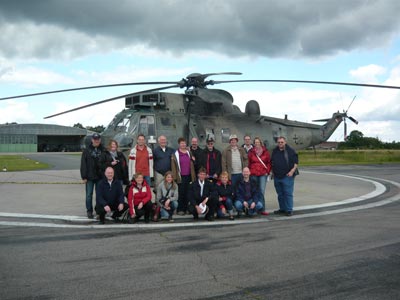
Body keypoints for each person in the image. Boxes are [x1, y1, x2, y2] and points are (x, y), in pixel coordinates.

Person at [270, 136, 298, 217]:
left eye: (282, 142)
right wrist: (272, 172)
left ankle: (289, 209)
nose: (280, 144)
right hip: (277, 176)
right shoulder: (275, 150)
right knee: (280, 194)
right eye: (279, 142)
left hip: (287, 176)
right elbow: (272, 161)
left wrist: (292, 172)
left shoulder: (290, 150)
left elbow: (296, 162)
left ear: (285, 142)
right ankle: (282, 208)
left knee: (288, 193)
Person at [80, 133, 106, 219]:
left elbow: (106, 163)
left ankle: (99, 211)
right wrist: (84, 177)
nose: (96, 141)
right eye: (95, 139)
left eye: (98, 139)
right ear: (92, 140)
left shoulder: (103, 150)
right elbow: (83, 164)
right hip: (89, 177)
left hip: (100, 177)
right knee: (89, 195)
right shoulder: (86, 151)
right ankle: (89, 211)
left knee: (99, 195)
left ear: (100, 140)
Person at [171, 137, 196, 215]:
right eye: (182, 143)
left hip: (189, 176)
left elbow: (192, 162)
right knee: (180, 193)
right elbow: (173, 167)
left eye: (184, 143)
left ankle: (186, 208)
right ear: (179, 144)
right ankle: (180, 209)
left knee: (188, 193)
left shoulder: (189, 152)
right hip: (180, 176)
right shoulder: (175, 154)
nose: (183, 144)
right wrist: (174, 178)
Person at [247, 137, 271, 216]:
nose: (257, 144)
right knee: (254, 191)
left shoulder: (265, 152)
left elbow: (268, 162)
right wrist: (249, 171)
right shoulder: (251, 152)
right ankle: (254, 209)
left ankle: (262, 208)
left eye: (258, 142)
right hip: (253, 174)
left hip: (262, 174)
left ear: (261, 143)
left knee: (261, 191)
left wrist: (267, 171)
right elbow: (249, 162)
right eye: (255, 142)